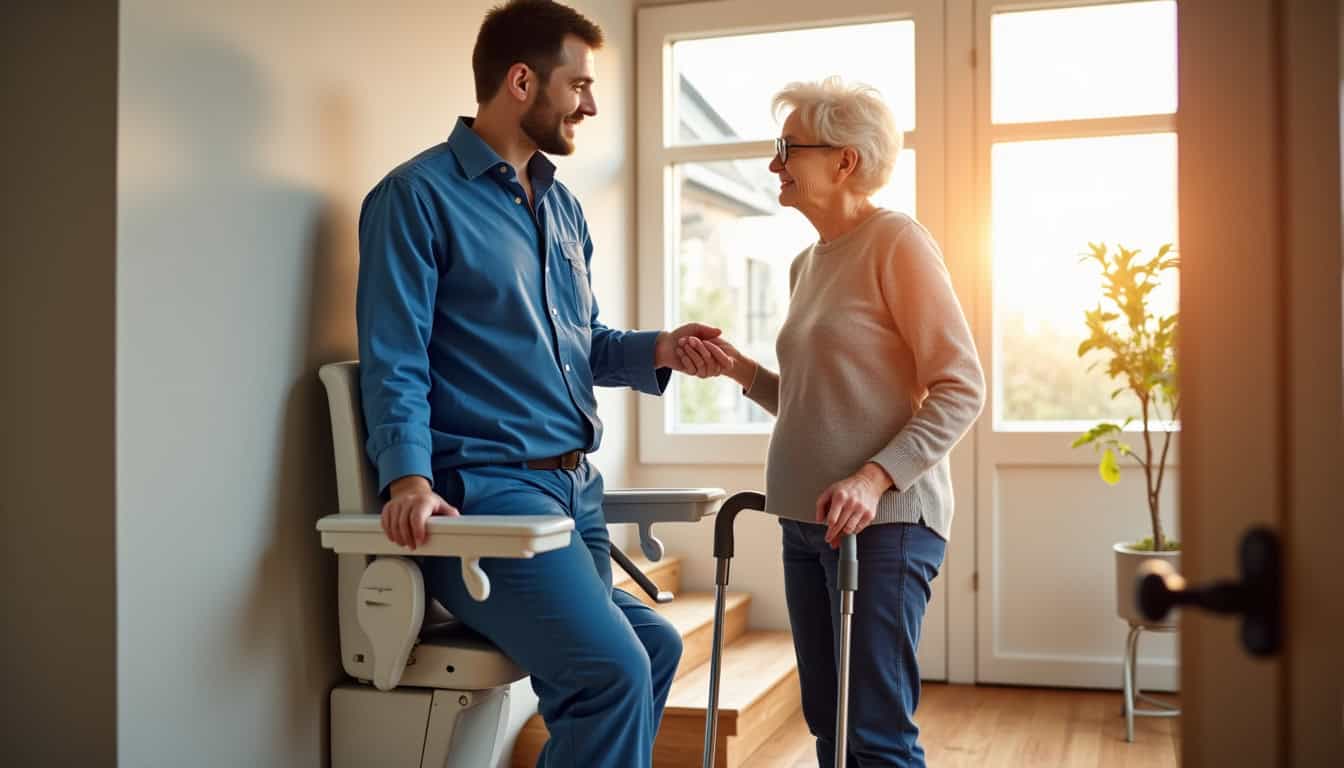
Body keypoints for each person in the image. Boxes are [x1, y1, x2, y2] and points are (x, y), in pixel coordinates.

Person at [355, 2, 724, 765]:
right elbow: (396, 356)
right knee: (613, 668)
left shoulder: (562, 209)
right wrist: (409, 482)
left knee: (652, 644)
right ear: (522, 82)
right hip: (489, 501)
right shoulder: (416, 198)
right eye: (578, 85)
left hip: (574, 498)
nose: (590, 104)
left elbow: (579, 346)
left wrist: (656, 347)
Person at [679, 77, 985, 767]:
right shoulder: (804, 265)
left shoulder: (897, 242)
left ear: (846, 161)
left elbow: (961, 387)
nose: (773, 164)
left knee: (874, 732)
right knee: (829, 722)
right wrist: (738, 371)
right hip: (804, 523)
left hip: (886, 525)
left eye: (788, 148)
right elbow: (816, 401)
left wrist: (875, 479)